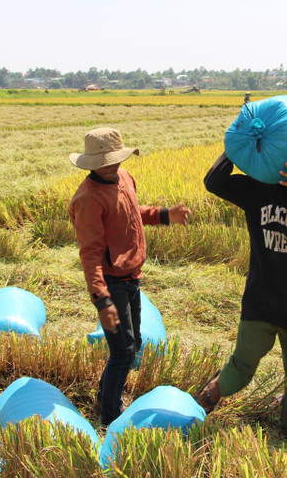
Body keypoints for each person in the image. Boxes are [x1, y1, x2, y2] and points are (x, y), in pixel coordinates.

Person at [194, 147, 287, 438]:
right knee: (241, 368)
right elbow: (214, 183)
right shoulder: (262, 190)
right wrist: (237, 147)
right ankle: (206, 398)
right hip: (263, 298)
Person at [67, 127, 191, 426]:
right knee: (122, 352)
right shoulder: (88, 199)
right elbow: (90, 254)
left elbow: (135, 212)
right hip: (112, 283)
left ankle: (104, 397)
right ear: (91, 163)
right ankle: (109, 416)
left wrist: (165, 215)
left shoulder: (124, 178)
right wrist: (103, 301)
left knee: (132, 346)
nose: (110, 166)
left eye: (114, 160)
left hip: (131, 277)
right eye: (103, 162)